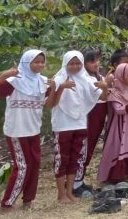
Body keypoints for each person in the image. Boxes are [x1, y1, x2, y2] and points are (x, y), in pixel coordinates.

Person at [0, 50, 53, 211]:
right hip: (17, 130)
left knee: (35, 164)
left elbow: (49, 102)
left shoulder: (42, 81)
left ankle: (28, 199)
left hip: (34, 129)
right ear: (26, 62)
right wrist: (4, 75)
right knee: (23, 166)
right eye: (36, 62)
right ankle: (7, 203)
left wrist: (56, 88)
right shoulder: (14, 81)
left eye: (42, 62)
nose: (40, 65)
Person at [51, 51, 109, 202]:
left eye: (78, 63)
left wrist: (104, 87)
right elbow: (51, 103)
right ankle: (61, 194)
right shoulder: (58, 79)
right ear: (65, 63)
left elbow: (103, 97)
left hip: (80, 123)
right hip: (63, 125)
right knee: (62, 159)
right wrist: (62, 87)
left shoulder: (86, 79)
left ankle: (70, 192)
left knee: (75, 158)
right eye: (71, 63)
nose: (75, 66)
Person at [97, 63, 128, 185]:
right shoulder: (115, 92)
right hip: (119, 125)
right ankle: (115, 176)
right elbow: (118, 110)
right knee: (118, 148)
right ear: (121, 75)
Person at [77, 49, 109, 197]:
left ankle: (80, 180)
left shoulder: (99, 76)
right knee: (83, 148)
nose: (96, 64)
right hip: (89, 116)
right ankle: (76, 182)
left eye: (98, 60)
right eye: (92, 61)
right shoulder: (83, 78)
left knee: (89, 148)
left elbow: (105, 96)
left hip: (99, 116)